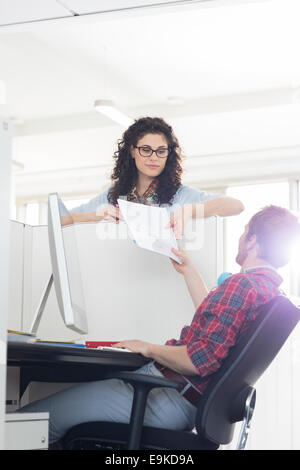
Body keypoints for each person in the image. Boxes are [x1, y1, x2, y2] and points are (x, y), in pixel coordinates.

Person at [19, 205, 300, 447]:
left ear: (252, 241)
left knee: (36, 421)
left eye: (244, 231)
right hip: (188, 403)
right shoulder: (267, 291)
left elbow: (197, 361)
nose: (241, 237)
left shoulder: (241, 285)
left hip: (165, 396)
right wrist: (190, 272)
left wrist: (147, 348)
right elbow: (217, 328)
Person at [70, 116, 244, 237]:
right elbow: (61, 220)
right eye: (146, 150)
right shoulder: (112, 196)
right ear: (132, 151)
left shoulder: (181, 196)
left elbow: (236, 206)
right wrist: (94, 216)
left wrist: (189, 210)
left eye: (161, 151)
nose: (153, 157)